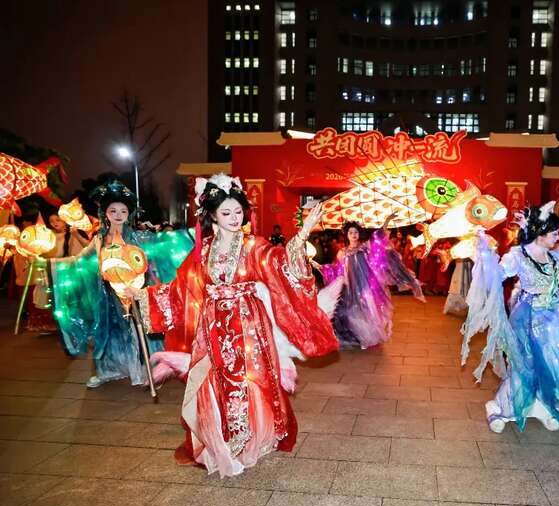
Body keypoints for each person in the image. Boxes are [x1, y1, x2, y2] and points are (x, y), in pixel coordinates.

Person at [132, 174, 338, 477]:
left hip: (248, 322)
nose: (233, 217)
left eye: (238, 211)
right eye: (226, 212)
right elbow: (181, 289)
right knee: (213, 377)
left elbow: (281, 263)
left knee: (249, 377)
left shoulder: (253, 245)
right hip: (213, 324)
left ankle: (250, 436)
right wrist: (142, 297)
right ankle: (221, 436)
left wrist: (303, 232)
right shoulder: (203, 250)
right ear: (213, 215)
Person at [461, 201, 559, 438]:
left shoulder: (556, 256)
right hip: (529, 319)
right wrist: (484, 253)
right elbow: (495, 275)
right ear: (539, 234)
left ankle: (547, 407)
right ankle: (502, 409)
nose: (558, 237)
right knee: (526, 365)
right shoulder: (518, 256)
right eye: (554, 233)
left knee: (555, 363)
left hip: (556, 319)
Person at [49, 181, 192, 388]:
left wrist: (187, 237)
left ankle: (148, 371)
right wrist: (54, 265)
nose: (118, 215)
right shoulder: (99, 240)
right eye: (113, 210)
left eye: (123, 211)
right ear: (105, 213)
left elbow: (160, 250)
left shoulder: (140, 237)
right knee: (111, 333)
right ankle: (109, 370)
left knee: (141, 330)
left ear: (129, 213)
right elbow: (81, 261)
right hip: (109, 295)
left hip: (136, 290)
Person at [316, 214, 424, 349]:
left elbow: (378, 237)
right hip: (350, 286)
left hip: (366, 284)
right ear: (347, 235)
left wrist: (386, 221)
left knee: (367, 309)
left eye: (356, 232)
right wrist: (321, 267)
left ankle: (367, 338)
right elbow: (337, 269)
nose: (353, 235)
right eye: (351, 232)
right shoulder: (342, 252)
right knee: (351, 311)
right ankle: (358, 337)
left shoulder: (365, 247)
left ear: (359, 234)